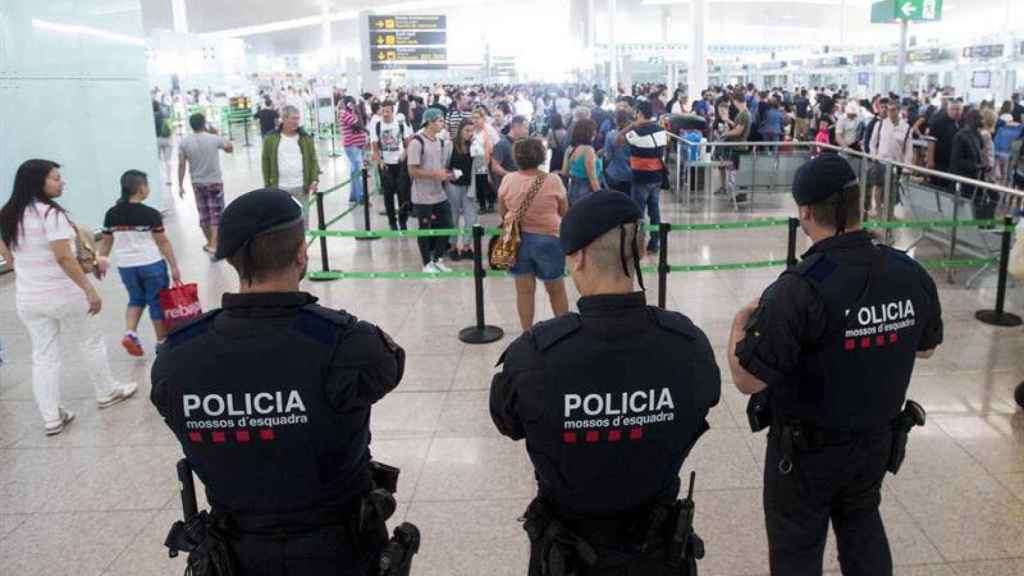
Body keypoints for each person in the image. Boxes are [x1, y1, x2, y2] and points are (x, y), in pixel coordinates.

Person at [151, 188, 409, 575]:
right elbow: (388, 373)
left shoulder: (176, 355)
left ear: (235, 260)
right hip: (340, 551)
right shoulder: (348, 344)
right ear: (301, 254)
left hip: (234, 554)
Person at [728, 154, 943, 576]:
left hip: (807, 453)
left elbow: (749, 380)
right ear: (858, 202)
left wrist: (738, 325)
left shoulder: (800, 287)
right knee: (862, 527)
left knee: (796, 548)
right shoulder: (908, 271)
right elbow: (925, 348)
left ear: (805, 212)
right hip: (875, 441)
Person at [491, 190, 721, 576]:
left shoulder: (534, 354)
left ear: (577, 257)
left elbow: (507, 421)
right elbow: (705, 400)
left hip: (568, 555)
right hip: (658, 552)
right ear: (641, 251)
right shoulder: (688, 344)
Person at [0, 159, 138, 436]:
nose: (61, 182)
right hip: (64, 294)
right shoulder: (51, 215)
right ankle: (106, 391)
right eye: (54, 178)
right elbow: (64, 256)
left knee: (43, 356)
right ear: (37, 182)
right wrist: (88, 289)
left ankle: (51, 417)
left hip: (28, 297)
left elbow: (9, 258)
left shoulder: (7, 215)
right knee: (90, 341)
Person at [96, 170, 182, 356]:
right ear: (141, 188)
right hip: (151, 264)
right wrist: (174, 266)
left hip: (126, 266)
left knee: (136, 299)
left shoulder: (112, 213)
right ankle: (162, 342)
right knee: (157, 303)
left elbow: (106, 242)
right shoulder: (150, 214)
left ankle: (130, 333)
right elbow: (163, 242)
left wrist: (100, 261)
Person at [497, 138, 570, 331]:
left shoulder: (508, 179)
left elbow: (503, 212)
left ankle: (527, 334)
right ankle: (563, 331)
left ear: (516, 158)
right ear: (542, 156)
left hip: (518, 240)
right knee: (556, 289)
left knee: (524, 291)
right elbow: (564, 211)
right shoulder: (553, 180)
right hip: (549, 240)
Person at [407, 108, 455, 274]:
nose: (442, 123)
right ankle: (426, 262)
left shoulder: (439, 142)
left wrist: (447, 175)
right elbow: (412, 171)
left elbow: (438, 166)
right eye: (440, 120)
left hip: (439, 193)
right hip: (422, 196)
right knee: (425, 229)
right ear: (430, 122)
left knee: (448, 224)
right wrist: (435, 174)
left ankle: (438, 258)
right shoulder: (416, 142)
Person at [178, 113, 233, 256]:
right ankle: (214, 245)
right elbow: (229, 148)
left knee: (204, 215)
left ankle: (210, 243)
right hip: (214, 182)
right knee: (216, 215)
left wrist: (180, 185)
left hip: (197, 183)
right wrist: (218, 134)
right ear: (204, 123)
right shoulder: (214, 139)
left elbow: (181, 164)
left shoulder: (185, 142)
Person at [261, 105, 320, 229]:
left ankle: (302, 246)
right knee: (281, 221)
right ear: (284, 119)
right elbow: (265, 162)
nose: (296, 122)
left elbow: (313, 160)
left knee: (303, 222)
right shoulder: (271, 139)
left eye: (298, 119)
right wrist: (267, 185)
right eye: (293, 119)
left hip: (301, 187)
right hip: (280, 188)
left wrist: (314, 179)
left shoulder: (305, 138)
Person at [624, 100, 667, 252]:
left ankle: (638, 242)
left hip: (641, 177)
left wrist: (632, 125)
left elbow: (619, 139)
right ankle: (655, 242)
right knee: (654, 209)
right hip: (657, 176)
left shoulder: (636, 132)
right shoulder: (661, 131)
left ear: (640, 114)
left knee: (638, 211)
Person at [370, 101, 412, 231]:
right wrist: (380, 162)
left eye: (388, 111)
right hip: (385, 165)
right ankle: (392, 222)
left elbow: (408, 144)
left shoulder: (400, 124)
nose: (386, 114)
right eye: (383, 111)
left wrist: (404, 155)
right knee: (388, 195)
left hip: (400, 164)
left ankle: (403, 220)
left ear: (393, 111)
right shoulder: (377, 126)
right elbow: (375, 148)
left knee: (403, 194)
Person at [867, 99, 913, 218]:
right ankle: (877, 209)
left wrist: (907, 167)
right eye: (888, 110)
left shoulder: (906, 127)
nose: (890, 113)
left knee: (892, 190)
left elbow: (908, 150)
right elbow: (872, 142)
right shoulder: (880, 124)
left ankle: (889, 212)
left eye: (893, 110)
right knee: (878, 187)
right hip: (881, 161)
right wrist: (874, 156)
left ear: (898, 110)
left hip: (896, 163)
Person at [446, 120, 478, 261]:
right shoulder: (450, 145)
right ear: (460, 131)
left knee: (471, 217)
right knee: (453, 217)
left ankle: (466, 246)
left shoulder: (474, 146)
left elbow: (480, 164)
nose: (470, 133)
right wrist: (449, 174)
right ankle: (452, 246)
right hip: (453, 185)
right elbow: (444, 164)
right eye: (467, 130)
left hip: (469, 186)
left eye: (472, 130)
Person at [562, 119, 602, 205]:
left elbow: (564, 172)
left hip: (572, 189)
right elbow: (592, 178)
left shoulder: (570, 149)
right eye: (594, 131)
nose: (595, 133)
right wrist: (602, 196)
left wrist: (577, 174)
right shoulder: (588, 150)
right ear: (589, 133)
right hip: (587, 191)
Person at [926, 99, 962, 189]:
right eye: (953, 109)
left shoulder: (961, 123)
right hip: (939, 162)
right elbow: (931, 141)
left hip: (953, 163)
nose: (955, 112)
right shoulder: (938, 122)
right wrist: (930, 161)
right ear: (948, 109)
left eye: (958, 109)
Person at [339, 96, 369, 204]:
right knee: (358, 172)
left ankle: (353, 195)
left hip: (357, 146)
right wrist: (358, 111)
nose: (354, 105)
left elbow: (360, 123)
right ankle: (360, 196)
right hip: (352, 146)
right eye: (352, 103)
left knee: (354, 171)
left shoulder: (351, 113)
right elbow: (359, 125)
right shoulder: (345, 114)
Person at [470, 108, 499, 214]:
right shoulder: (472, 129)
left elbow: (497, 143)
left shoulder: (488, 129)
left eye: (477, 118)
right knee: (478, 184)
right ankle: (482, 205)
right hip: (475, 160)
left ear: (483, 118)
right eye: (473, 118)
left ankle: (491, 203)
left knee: (487, 182)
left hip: (486, 159)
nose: (475, 120)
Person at [491, 114, 530, 192]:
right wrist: (512, 176)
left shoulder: (519, 143)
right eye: (525, 128)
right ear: (516, 127)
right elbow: (495, 167)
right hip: (507, 188)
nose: (527, 131)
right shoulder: (502, 144)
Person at [603, 109, 634, 194]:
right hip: (631, 174)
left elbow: (608, 156)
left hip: (614, 174)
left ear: (615, 120)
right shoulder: (634, 135)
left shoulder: (610, 135)